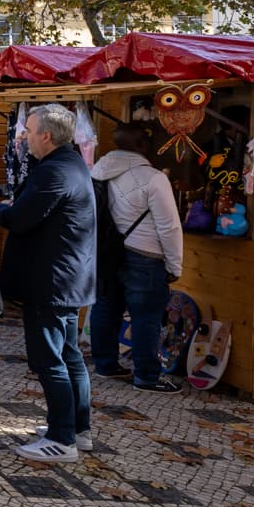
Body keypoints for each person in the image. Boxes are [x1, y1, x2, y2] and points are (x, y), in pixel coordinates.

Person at [0, 103, 98, 463]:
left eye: (30, 131)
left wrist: (2, 207)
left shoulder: (55, 172)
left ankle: (61, 439)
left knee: (50, 359)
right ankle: (75, 428)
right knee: (69, 356)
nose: (25, 136)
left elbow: (20, 218)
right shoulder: (69, 165)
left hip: (52, 282)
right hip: (66, 279)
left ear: (46, 136)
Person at [88, 122, 186, 394]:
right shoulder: (153, 178)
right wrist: (174, 264)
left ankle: (106, 365)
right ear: (143, 145)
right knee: (146, 317)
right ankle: (146, 376)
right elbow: (169, 226)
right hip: (145, 255)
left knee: (105, 308)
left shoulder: (98, 171)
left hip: (107, 252)